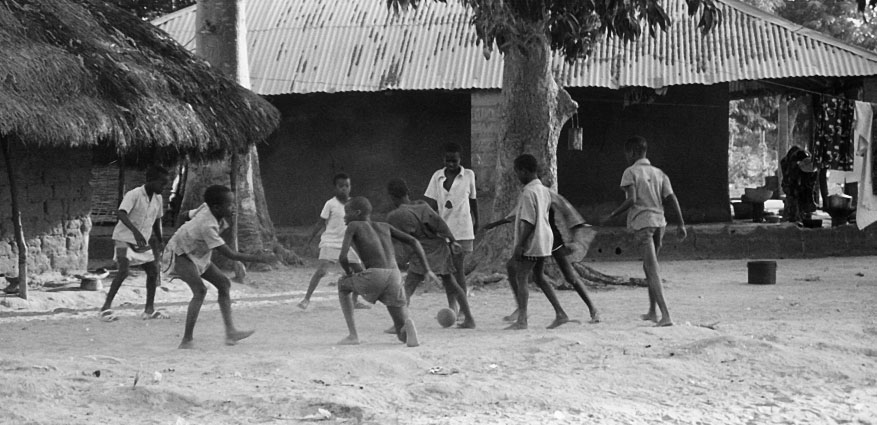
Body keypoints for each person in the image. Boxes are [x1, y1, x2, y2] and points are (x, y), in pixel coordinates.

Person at [167, 185, 275, 349]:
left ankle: (230, 332)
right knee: (200, 291)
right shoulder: (207, 226)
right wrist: (261, 258)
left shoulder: (207, 208)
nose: (233, 207)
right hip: (180, 255)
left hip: (197, 254)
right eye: (230, 205)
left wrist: (183, 232)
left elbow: (183, 215)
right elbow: (231, 255)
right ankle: (186, 340)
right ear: (217, 207)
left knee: (224, 284)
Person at [602, 136, 686, 327]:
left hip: (643, 224)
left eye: (626, 153)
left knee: (651, 269)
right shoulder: (659, 173)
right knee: (650, 267)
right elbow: (672, 199)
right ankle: (652, 311)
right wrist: (681, 224)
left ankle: (666, 315)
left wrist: (613, 214)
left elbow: (631, 199)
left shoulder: (630, 172)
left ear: (632, 152)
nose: (626, 157)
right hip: (660, 223)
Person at [483, 192, 600, 324]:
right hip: (541, 240)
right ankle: (543, 311)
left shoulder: (547, 195)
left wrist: (575, 237)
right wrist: (495, 224)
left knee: (568, 276)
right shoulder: (532, 194)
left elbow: (569, 214)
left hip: (554, 240)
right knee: (530, 273)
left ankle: (591, 309)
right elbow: (516, 213)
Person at [336, 196, 438, 346]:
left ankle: (353, 335)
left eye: (347, 212)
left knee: (342, 285)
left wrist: (349, 273)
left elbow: (343, 257)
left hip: (375, 275)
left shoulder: (354, 226)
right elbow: (414, 241)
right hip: (395, 276)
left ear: (357, 213)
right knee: (400, 334)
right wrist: (427, 269)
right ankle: (407, 329)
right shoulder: (384, 226)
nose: (344, 217)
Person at [386, 178, 476, 329]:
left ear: (391, 197)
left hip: (422, 252)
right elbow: (440, 224)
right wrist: (452, 241)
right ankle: (469, 318)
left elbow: (405, 241)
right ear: (408, 192)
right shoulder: (422, 205)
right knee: (452, 284)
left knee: (408, 288)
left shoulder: (396, 215)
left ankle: (399, 324)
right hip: (439, 249)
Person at [504, 154, 578, 330]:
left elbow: (529, 222)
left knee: (521, 275)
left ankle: (522, 319)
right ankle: (561, 314)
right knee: (538, 277)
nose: (517, 177)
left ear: (524, 171)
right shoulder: (544, 189)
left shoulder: (529, 192)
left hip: (533, 240)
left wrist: (520, 245)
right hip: (545, 238)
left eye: (517, 173)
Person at [98, 165, 170, 322]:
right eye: (161, 183)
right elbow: (121, 213)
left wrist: (160, 239)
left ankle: (149, 310)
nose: (163, 187)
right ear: (151, 181)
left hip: (142, 241)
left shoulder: (158, 199)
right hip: (123, 238)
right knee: (123, 270)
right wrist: (135, 232)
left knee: (153, 272)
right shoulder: (134, 194)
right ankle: (106, 307)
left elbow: (157, 220)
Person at [298, 173, 370, 310]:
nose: (344, 189)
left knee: (359, 272)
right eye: (341, 186)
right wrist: (309, 240)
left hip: (345, 244)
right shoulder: (330, 204)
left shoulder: (353, 204)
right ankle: (306, 299)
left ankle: (355, 301)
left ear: (350, 187)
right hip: (330, 242)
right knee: (321, 271)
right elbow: (320, 223)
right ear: (335, 188)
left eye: (347, 186)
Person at [424, 142, 477, 319]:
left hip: (462, 229)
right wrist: (431, 227)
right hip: (443, 230)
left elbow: (473, 202)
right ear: (443, 159)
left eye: (454, 160)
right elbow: (431, 205)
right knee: (446, 271)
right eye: (448, 161)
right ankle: (451, 306)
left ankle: (463, 308)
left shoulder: (469, 175)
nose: (451, 164)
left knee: (458, 269)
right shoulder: (436, 177)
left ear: (460, 159)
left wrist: (476, 223)